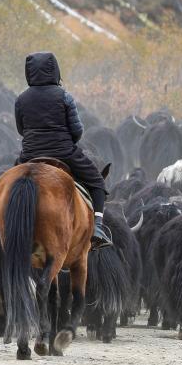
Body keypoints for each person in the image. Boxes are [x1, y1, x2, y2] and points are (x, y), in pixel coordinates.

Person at [14, 51, 112, 248]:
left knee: (9, 185)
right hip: (64, 152)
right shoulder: (64, 96)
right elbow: (77, 130)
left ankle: (4, 223)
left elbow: (21, 129)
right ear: (55, 70)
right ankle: (98, 227)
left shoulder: (21, 99)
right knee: (97, 182)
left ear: (29, 72)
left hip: (30, 154)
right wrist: (68, 143)